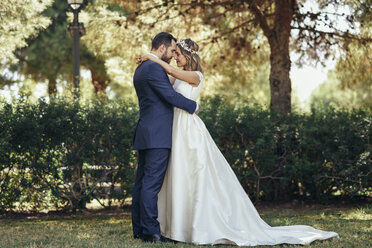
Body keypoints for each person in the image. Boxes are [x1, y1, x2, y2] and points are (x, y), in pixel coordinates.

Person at [136, 38, 339, 246]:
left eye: (178, 54)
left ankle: (200, 225)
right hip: (174, 130)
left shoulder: (195, 76)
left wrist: (151, 57)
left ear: (188, 56)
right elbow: (163, 85)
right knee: (178, 177)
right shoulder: (176, 77)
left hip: (188, 130)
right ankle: (177, 226)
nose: (175, 58)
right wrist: (149, 63)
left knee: (194, 176)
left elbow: (169, 71)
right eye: (174, 53)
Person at [131, 32, 199, 243]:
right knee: (151, 184)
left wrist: (147, 57)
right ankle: (152, 232)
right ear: (162, 48)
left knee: (142, 183)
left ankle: (141, 229)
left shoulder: (142, 67)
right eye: (171, 50)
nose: (172, 55)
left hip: (146, 132)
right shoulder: (152, 67)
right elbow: (168, 95)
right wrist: (193, 106)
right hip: (158, 135)